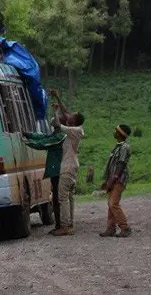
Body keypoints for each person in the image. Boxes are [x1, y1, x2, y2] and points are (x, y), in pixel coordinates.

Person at [49, 89, 85, 236]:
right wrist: (58, 96)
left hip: (67, 166)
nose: (68, 115)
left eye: (72, 115)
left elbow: (57, 125)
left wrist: (55, 112)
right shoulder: (76, 128)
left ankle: (65, 226)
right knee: (69, 197)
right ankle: (69, 224)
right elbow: (66, 112)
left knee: (62, 196)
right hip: (72, 165)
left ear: (74, 121)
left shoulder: (73, 131)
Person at [22, 129, 67, 234]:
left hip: (58, 171)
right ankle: (59, 225)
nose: (53, 119)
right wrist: (29, 134)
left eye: (56, 119)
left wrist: (25, 141)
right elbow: (44, 137)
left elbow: (42, 143)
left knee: (57, 199)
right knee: (56, 199)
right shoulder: (57, 135)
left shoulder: (60, 137)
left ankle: (61, 225)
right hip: (57, 171)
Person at [99, 124, 133, 238]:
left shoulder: (124, 147)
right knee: (110, 204)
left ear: (120, 133)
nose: (114, 132)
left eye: (116, 130)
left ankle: (125, 227)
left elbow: (121, 165)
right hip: (112, 178)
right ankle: (110, 228)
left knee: (113, 203)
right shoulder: (117, 146)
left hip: (119, 179)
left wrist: (113, 179)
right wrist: (107, 180)